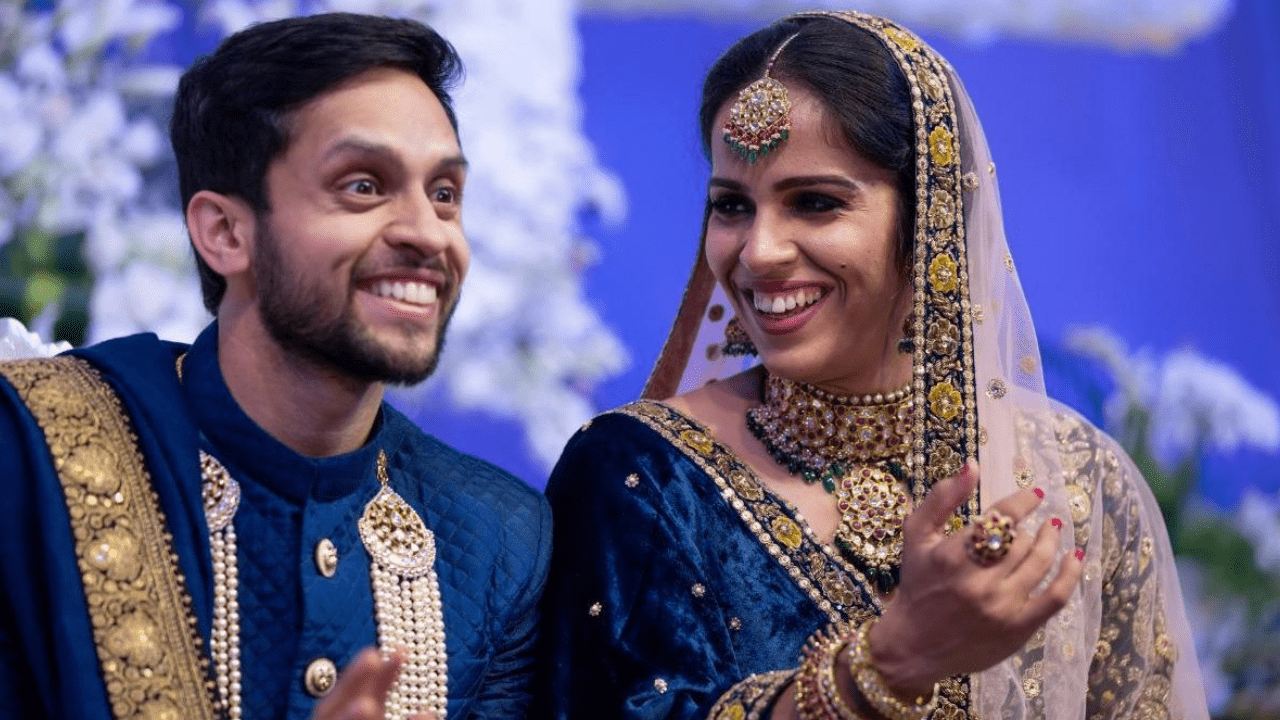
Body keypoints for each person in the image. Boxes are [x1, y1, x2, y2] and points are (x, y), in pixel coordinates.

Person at [533, 10, 1207, 720]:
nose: (757, 251)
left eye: (815, 203)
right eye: (731, 206)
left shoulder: (1074, 483)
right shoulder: (642, 475)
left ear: (929, 222)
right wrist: (887, 666)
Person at [0, 13, 550, 720]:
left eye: (444, 193)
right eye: (363, 185)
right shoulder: (36, 457)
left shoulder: (497, 538)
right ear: (226, 232)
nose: (425, 232)